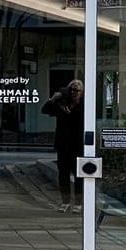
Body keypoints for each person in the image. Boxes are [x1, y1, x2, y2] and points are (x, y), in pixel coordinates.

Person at [42, 78, 85, 212]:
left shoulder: (84, 106)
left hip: (78, 144)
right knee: (63, 174)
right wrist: (53, 99)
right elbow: (45, 110)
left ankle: (78, 203)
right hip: (63, 143)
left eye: (77, 90)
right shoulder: (62, 104)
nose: (74, 93)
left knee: (78, 175)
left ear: (82, 92)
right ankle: (65, 202)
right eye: (71, 89)